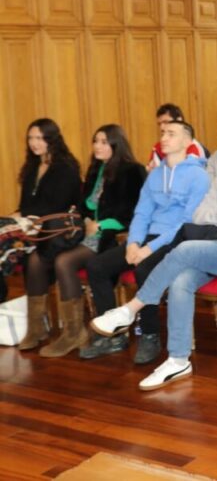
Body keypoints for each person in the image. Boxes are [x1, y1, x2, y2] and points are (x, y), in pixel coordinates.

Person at [90, 127, 217, 390]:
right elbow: (200, 214)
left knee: (183, 249)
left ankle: (130, 309)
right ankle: (178, 359)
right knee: (181, 280)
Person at [83, 121, 210, 363]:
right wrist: (133, 243)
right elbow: (141, 213)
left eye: (171, 134)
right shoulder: (156, 175)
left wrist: (148, 249)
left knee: (144, 270)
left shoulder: (199, 176)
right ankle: (114, 334)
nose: (164, 137)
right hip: (147, 238)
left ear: (187, 142)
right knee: (97, 266)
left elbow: (184, 223)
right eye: (163, 133)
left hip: (177, 240)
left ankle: (149, 335)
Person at [27, 125, 145, 358]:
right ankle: (57, 330)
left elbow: (132, 214)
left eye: (103, 142)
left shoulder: (132, 171)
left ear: (116, 144)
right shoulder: (96, 170)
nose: (97, 146)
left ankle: (82, 332)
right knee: (40, 258)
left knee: (64, 262)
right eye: (95, 141)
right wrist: (88, 219)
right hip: (87, 234)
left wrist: (101, 225)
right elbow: (85, 206)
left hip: (114, 237)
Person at [12, 119, 82, 352]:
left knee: (33, 261)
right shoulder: (32, 167)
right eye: (31, 138)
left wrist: (27, 219)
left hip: (60, 234)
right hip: (35, 232)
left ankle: (56, 330)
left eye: (40, 138)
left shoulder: (66, 167)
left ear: (52, 139)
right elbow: (25, 205)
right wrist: (15, 220)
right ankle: (36, 326)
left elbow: (57, 207)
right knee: (9, 251)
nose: (34, 143)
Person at [146, 103, 207, 169]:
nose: (162, 127)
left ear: (179, 120)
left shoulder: (192, 145)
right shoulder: (158, 147)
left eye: (165, 122)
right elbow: (151, 171)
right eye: (159, 124)